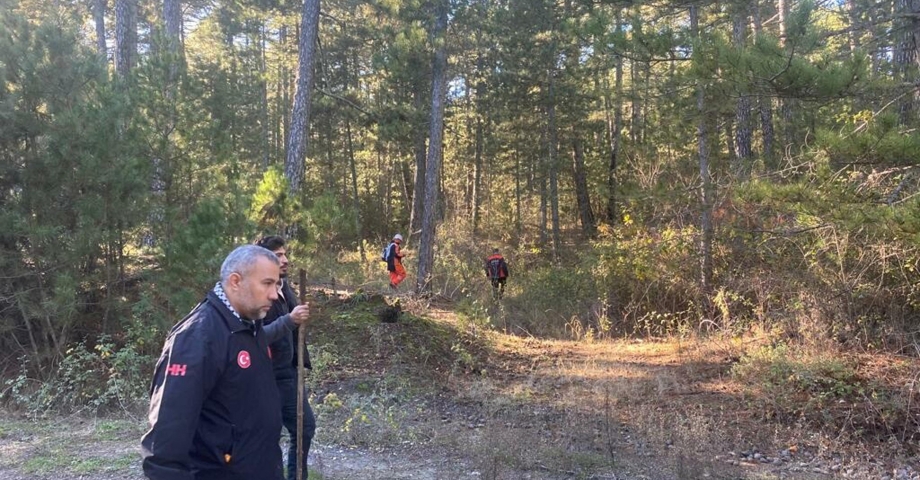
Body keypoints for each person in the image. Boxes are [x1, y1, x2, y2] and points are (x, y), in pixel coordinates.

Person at [141, 245, 309, 480]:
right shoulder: (198, 336)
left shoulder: (250, 324)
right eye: (267, 283)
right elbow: (166, 439)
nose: (274, 294)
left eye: (277, 284)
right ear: (235, 281)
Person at [255, 235, 316, 480]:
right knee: (267, 437)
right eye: (278, 255)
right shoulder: (257, 294)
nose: (285, 260)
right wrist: (289, 320)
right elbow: (254, 337)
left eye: (285, 254)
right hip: (266, 377)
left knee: (305, 428)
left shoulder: (284, 287)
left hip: (289, 374)